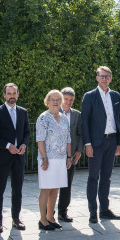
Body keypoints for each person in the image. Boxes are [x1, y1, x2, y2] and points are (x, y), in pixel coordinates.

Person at [81, 66, 120, 223]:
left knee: (107, 177)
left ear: (111, 78)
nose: (104, 79)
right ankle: (93, 211)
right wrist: (87, 143)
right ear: (97, 78)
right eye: (102, 76)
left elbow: (118, 119)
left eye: (107, 76)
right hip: (96, 143)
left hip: (111, 141)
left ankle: (104, 210)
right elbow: (84, 122)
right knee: (93, 177)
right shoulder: (89, 96)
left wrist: (119, 142)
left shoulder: (116, 96)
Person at [0, 83, 31, 233]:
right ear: (4, 95)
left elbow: (27, 132)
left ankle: (16, 218)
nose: (12, 96)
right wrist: (8, 146)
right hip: (2, 156)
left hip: (19, 157)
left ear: (18, 94)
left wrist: (24, 145)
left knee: (17, 189)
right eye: (9, 93)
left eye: (14, 93)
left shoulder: (23, 112)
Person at [36, 90, 71, 230]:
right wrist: (44, 158)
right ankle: (42, 220)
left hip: (61, 159)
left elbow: (68, 139)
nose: (55, 102)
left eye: (58, 99)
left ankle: (51, 217)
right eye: (53, 99)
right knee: (45, 189)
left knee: (55, 189)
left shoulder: (64, 118)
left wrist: (69, 157)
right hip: (48, 159)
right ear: (47, 101)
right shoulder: (43, 118)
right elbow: (40, 140)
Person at [57, 87, 84, 222]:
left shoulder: (77, 115)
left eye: (71, 100)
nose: (68, 102)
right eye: (66, 99)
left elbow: (80, 134)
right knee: (52, 186)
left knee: (67, 185)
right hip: (55, 156)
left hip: (71, 156)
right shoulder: (53, 112)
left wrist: (79, 150)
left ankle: (63, 212)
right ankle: (47, 213)